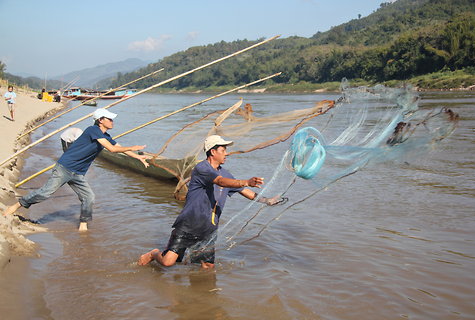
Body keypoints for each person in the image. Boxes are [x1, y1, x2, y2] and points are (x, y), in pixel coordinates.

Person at [138, 135, 281, 269]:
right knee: (168, 262)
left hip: (209, 227)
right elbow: (220, 181)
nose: (226, 153)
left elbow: (244, 191)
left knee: (207, 267)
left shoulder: (226, 173)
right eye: (223, 150)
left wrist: (266, 200)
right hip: (189, 223)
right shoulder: (202, 168)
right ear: (213, 152)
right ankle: (153, 254)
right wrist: (246, 181)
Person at [3, 108, 149, 231]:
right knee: (45, 193)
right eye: (109, 119)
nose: (112, 121)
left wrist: (138, 157)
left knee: (89, 197)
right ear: (100, 120)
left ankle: (83, 225)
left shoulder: (106, 135)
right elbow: (111, 149)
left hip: (78, 173)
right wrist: (133, 147)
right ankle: (17, 205)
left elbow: (118, 147)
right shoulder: (93, 130)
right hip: (64, 168)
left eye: (112, 119)